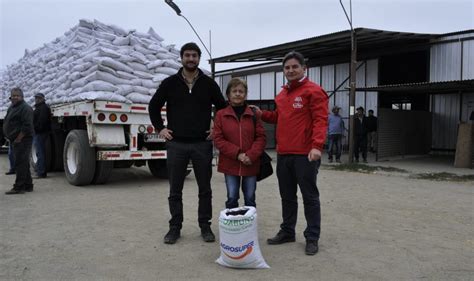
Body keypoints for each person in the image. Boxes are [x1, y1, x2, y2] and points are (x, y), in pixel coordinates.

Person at [148, 42, 227, 245]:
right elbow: (154, 105)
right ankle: (175, 228)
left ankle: (205, 226)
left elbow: (222, 107)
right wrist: (160, 128)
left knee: (205, 189)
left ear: (199, 58)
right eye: (187, 55)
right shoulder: (170, 83)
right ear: (181, 58)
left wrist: (216, 129)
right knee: (175, 189)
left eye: (194, 55)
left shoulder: (209, 84)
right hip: (177, 145)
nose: (191, 59)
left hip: (202, 144)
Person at [255, 51, 328, 256]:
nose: (291, 70)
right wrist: (262, 115)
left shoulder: (314, 91)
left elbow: (320, 120)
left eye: (295, 66)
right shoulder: (282, 94)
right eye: (287, 67)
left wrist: (317, 146)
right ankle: (288, 231)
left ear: (304, 69)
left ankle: (312, 237)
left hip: (305, 155)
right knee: (287, 196)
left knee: (309, 197)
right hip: (284, 154)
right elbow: (280, 117)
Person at [213, 78, 266, 209]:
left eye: (241, 91)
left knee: (250, 198)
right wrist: (238, 154)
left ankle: (249, 228)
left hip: (250, 163)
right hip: (230, 163)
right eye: (234, 91)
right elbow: (218, 139)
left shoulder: (253, 114)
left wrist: (250, 155)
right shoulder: (221, 115)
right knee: (232, 198)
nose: (237, 94)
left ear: (246, 94)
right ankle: (233, 228)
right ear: (228, 95)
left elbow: (261, 137)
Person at [2, 88, 34, 194]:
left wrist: (18, 139)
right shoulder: (12, 107)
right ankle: (28, 185)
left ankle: (18, 187)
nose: (15, 97)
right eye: (13, 95)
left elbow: (27, 126)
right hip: (15, 140)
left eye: (17, 95)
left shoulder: (25, 108)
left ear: (22, 96)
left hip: (23, 140)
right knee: (23, 162)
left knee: (20, 163)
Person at [33, 93, 51, 178]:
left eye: (39, 98)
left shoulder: (43, 108)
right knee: (39, 152)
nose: (37, 99)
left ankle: (41, 172)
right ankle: (40, 171)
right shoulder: (39, 107)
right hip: (39, 132)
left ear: (43, 99)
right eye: (36, 98)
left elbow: (42, 121)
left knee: (40, 153)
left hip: (40, 133)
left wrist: (36, 129)